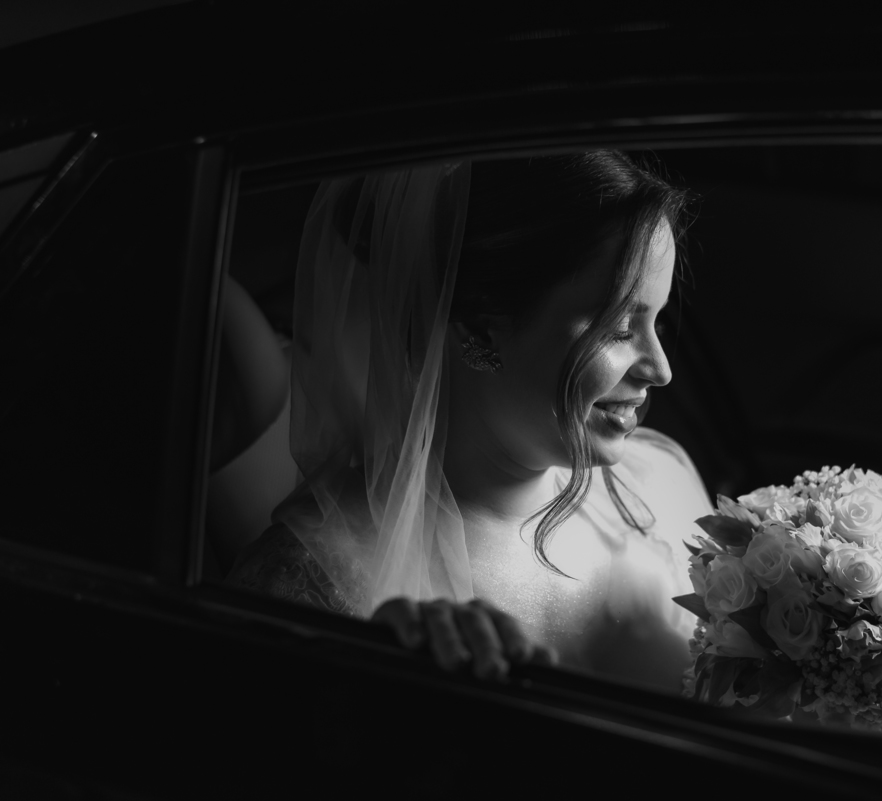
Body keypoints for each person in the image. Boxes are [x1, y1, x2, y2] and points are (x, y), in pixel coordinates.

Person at [227, 152, 714, 693]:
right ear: (480, 328)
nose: (661, 370)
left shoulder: (664, 478)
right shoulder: (316, 581)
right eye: (619, 328)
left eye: (658, 320)